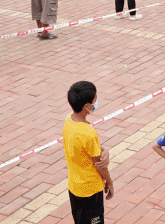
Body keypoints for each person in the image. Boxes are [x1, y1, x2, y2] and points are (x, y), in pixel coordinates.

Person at [63, 81, 115, 224]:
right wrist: (109, 182)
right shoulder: (88, 132)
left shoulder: (69, 120)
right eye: (94, 100)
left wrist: (104, 150)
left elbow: (85, 148)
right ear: (86, 106)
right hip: (90, 191)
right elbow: (99, 164)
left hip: (74, 187)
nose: (96, 102)